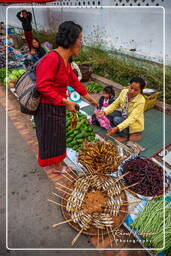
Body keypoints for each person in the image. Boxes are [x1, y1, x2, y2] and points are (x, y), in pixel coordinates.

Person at [34, 21, 98, 173]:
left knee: (58, 136)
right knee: (52, 137)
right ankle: (56, 167)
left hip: (57, 105)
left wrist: (90, 99)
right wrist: (65, 101)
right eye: (80, 39)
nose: (81, 43)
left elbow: (73, 81)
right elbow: (42, 86)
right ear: (71, 39)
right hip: (46, 108)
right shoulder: (52, 58)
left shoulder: (65, 60)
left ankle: (58, 162)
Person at [97, 77, 146, 142]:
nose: (132, 91)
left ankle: (125, 136)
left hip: (133, 123)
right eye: (131, 88)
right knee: (108, 114)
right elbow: (115, 104)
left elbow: (131, 118)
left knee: (116, 119)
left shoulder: (141, 101)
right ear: (129, 85)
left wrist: (117, 128)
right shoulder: (124, 92)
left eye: (136, 90)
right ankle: (119, 128)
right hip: (124, 115)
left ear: (140, 91)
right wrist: (104, 111)